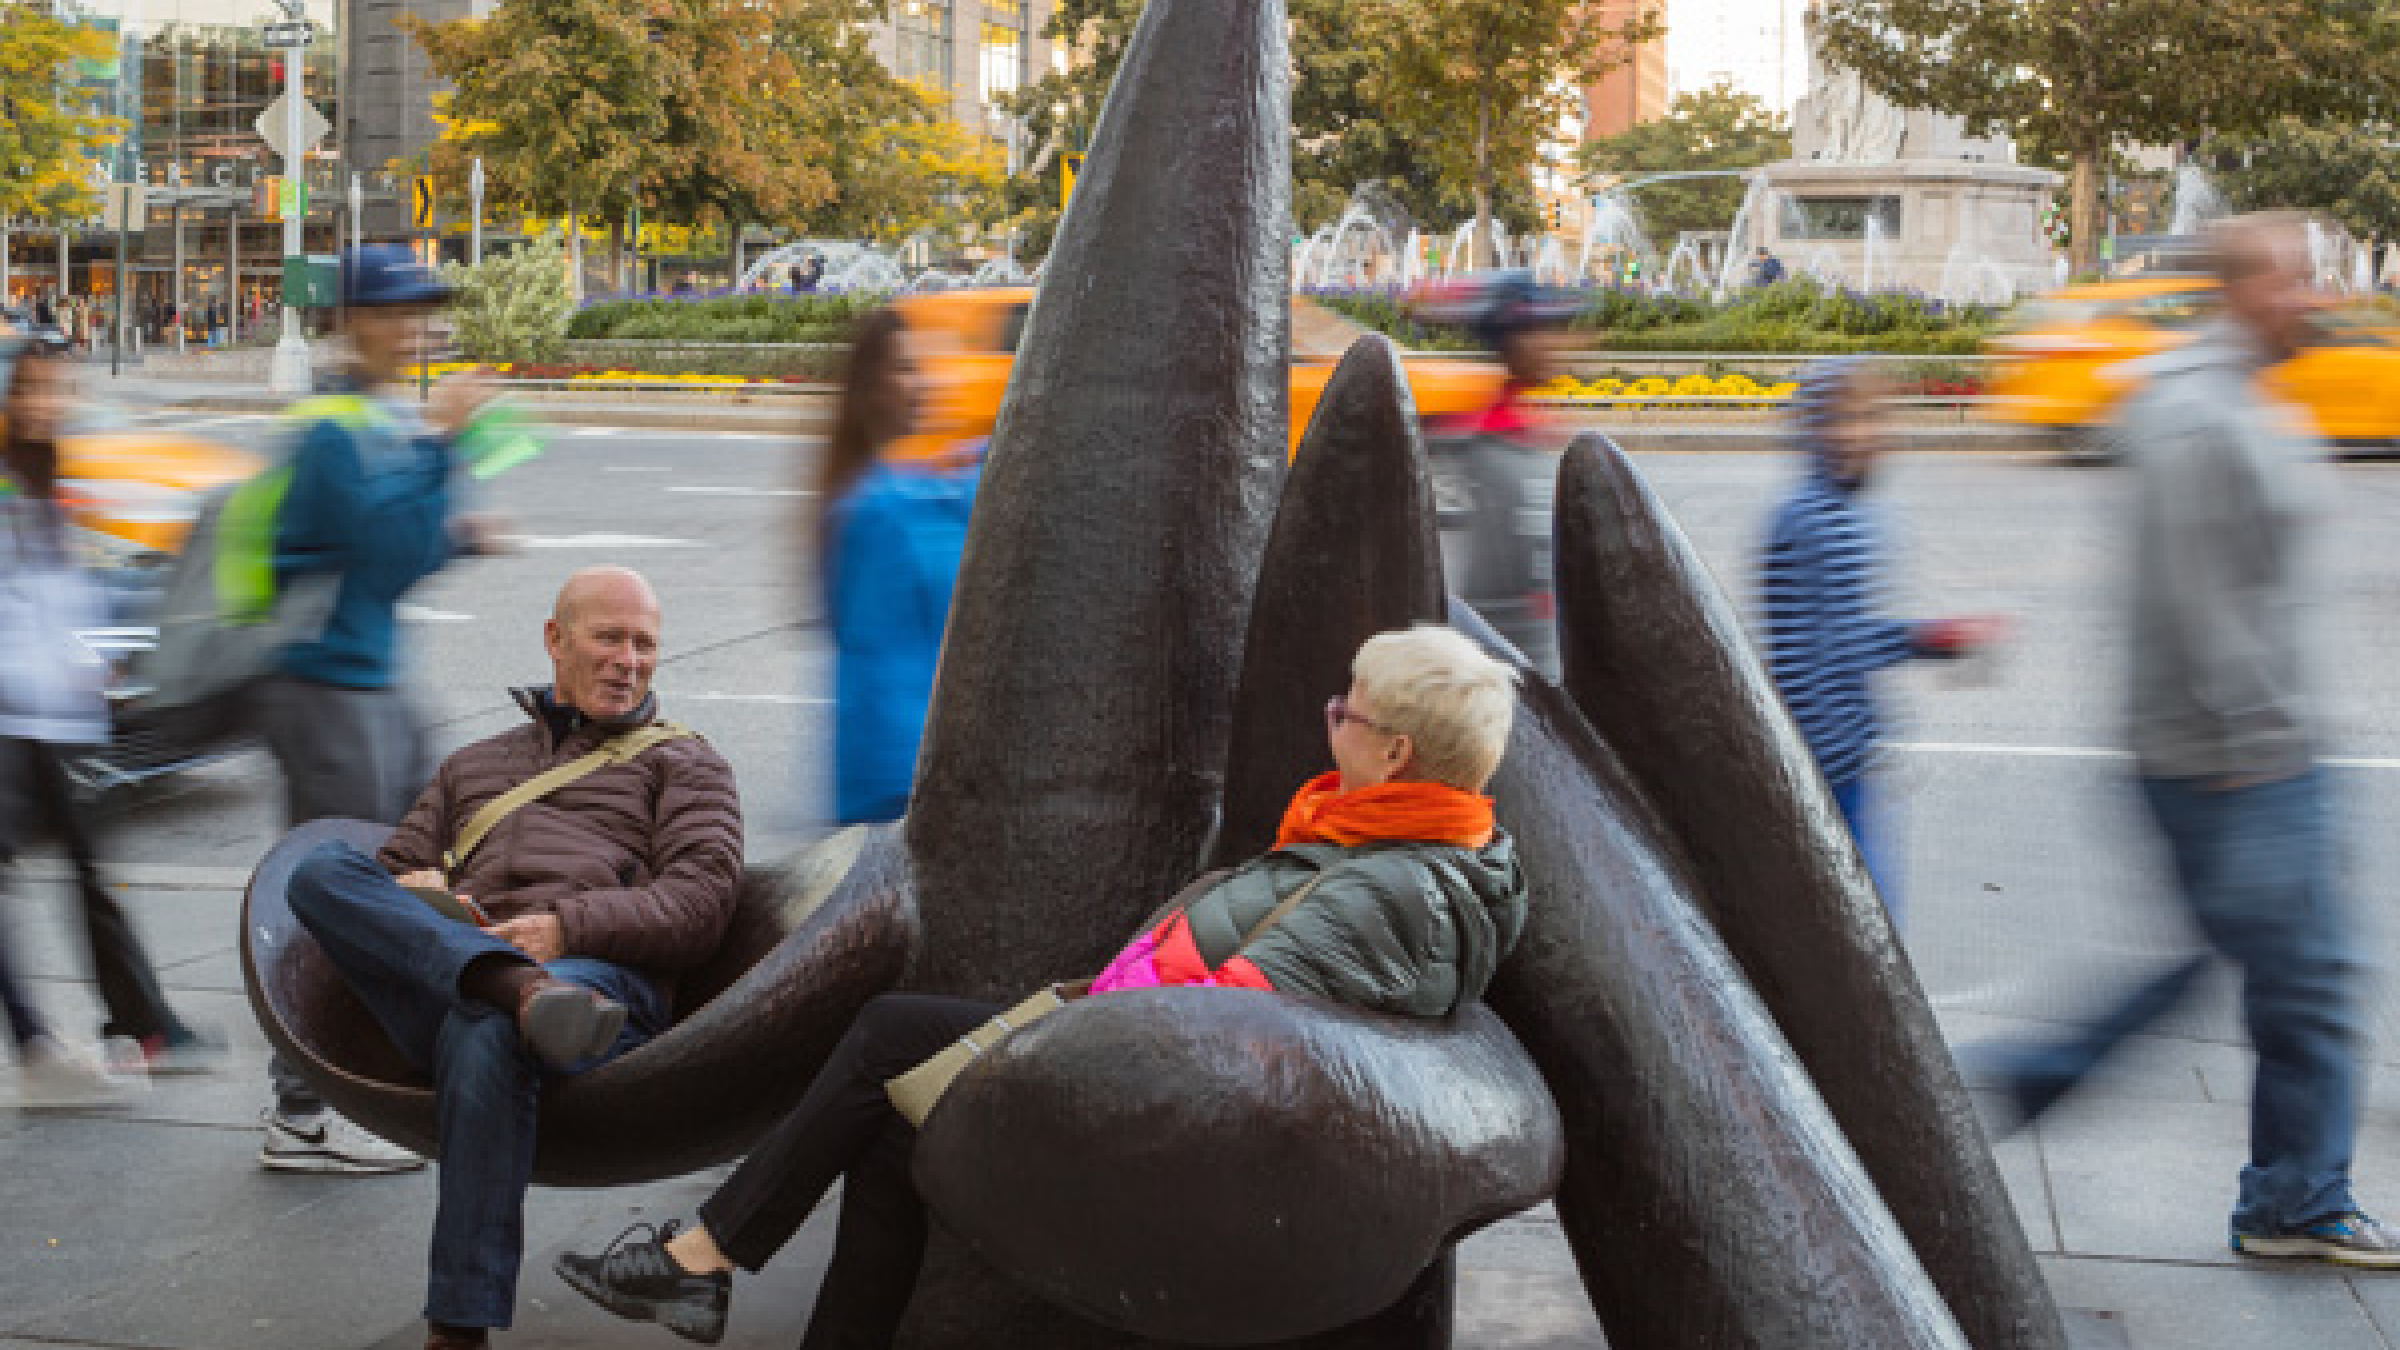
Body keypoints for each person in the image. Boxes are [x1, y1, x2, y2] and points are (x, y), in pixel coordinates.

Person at [554, 624, 1528, 1349]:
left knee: (889, 1036)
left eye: (1347, 712)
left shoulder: (1388, 886)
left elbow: (1234, 1028)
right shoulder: (1398, 843)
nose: (1332, 719)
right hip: (1122, 1036)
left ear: (1396, 753)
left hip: (1138, 1091)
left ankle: (703, 1258)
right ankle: (717, 1269)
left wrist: (1097, 1019)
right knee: (890, 1125)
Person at [1972, 213, 2395, 1266]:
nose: (2314, 298)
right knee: (2309, 979)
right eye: (2295, 280)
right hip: (2238, 760)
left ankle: (2271, 1186)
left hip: (2246, 751)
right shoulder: (2201, 414)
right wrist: (2255, 748)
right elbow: (2195, 604)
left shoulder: (2232, 396)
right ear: (2245, 289)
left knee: (2274, 972)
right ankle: (2288, 1198)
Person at [282, 565, 745, 1350]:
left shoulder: (686, 764)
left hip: (592, 992)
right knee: (316, 871)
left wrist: (565, 928)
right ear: (555, 640)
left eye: (644, 644)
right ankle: (511, 987)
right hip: (461, 974)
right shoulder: (474, 765)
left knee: (486, 1030)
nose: (628, 660)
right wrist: (416, 885)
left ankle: (457, 1331)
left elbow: (699, 907)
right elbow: (390, 871)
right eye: (608, 638)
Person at [246, 245, 504, 1175]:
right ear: (354, 322)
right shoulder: (333, 427)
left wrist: (454, 530)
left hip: (371, 676)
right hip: (327, 687)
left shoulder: (374, 416)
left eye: (421, 311)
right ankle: (302, 1110)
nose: (415, 328)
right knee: (335, 890)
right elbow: (384, 549)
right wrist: (443, 448)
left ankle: (369, 1069)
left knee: (404, 867)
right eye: (397, 312)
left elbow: (400, 551)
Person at [0, 336, 222, 1080]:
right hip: (12, 720)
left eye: (56, 389)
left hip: (60, 720)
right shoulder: (8, 485)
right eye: (31, 390)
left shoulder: (53, 478)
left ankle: (143, 1027)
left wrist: (101, 659)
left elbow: (72, 590)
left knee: (93, 875)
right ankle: (35, 1042)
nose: (45, 404)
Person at [1757, 359, 1997, 924]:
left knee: (1848, 912)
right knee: (1869, 916)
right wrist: (1935, 640)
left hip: (1819, 750)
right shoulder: (1824, 520)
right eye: (1838, 420)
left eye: (1867, 418)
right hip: (1828, 755)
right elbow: (1842, 644)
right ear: (1809, 429)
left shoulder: (1816, 508)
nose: (1854, 435)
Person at [814, 307, 977, 825]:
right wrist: (915, 788)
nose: (922, 383)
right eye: (905, 369)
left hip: (927, 775)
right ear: (870, 388)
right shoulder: (875, 511)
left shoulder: (905, 490)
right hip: (900, 789)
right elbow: (881, 667)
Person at [1424, 271, 1574, 679]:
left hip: (1533, 665)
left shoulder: (1526, 428)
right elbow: (1489, 592)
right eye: (1538, 331)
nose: (1553, 343)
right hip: (1499, 672)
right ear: (1508, 342)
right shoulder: (1483, 443)